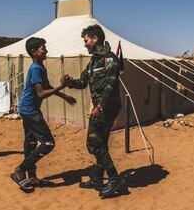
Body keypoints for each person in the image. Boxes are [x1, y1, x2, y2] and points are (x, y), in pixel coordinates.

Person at [61, 24, 125, 198]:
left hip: (107, 107)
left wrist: (100, 106)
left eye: (86, 40)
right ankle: (97, 179)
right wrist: (69, 82)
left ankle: (114, 178)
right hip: (100, 107)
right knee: (100, 143)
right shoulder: (94, 61)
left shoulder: (109, 59)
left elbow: (111, 85)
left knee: (93, 144)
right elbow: (82, 82)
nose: (85, 44)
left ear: (95, 38)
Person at [10, 37, 76, 192]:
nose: (45, 50)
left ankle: (31, 177)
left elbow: (46, 86)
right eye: (42, 48)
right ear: (34, 52)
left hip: (28, 108)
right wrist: (62, 86)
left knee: (31, 143)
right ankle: (20, 170)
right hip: (30, 110)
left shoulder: (40, 67)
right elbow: (41, 93)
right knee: (48, 143)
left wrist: (64, 96)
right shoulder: (35, 68)